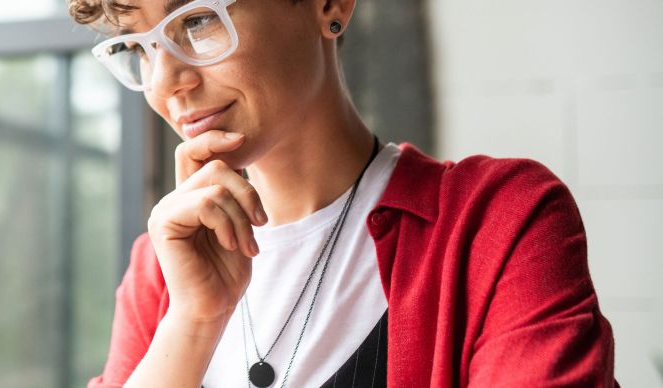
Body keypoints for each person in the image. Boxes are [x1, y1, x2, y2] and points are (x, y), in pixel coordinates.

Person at [67, 0, 618, 386]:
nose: (166, 83)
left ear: (330, 4)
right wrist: (193, 320)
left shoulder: (496, 222)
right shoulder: (160, 270)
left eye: (199, 20)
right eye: (138, 46)